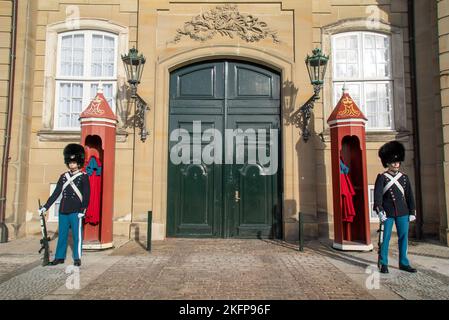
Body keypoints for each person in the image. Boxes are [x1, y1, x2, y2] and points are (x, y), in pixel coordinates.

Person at [39, 144, 90, 267]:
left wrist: (83, 210)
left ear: (79, 163)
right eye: (70, 162)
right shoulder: (63, 177)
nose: (72, 164)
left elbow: (87, 194)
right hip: (64, 210)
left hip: (76, 210)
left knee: (77, 236)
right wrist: (46, 206)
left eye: (74, 162)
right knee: (62, 235)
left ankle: (77, 257)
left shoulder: (83, 177)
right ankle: (59, 257)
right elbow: (56, 193)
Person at [373, 141, 417, 274]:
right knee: (385, 238)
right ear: (387, 162)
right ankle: (384, 263)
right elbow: (378, 196)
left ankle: (404, 263)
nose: (396, 164)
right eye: (393, 161)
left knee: (403, 238)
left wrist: (412, 211)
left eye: (397, 161)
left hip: (403, 212)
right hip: (388, 213)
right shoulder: (382, 178)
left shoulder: (404, 178)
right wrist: (379, 210)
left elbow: (409, 196)